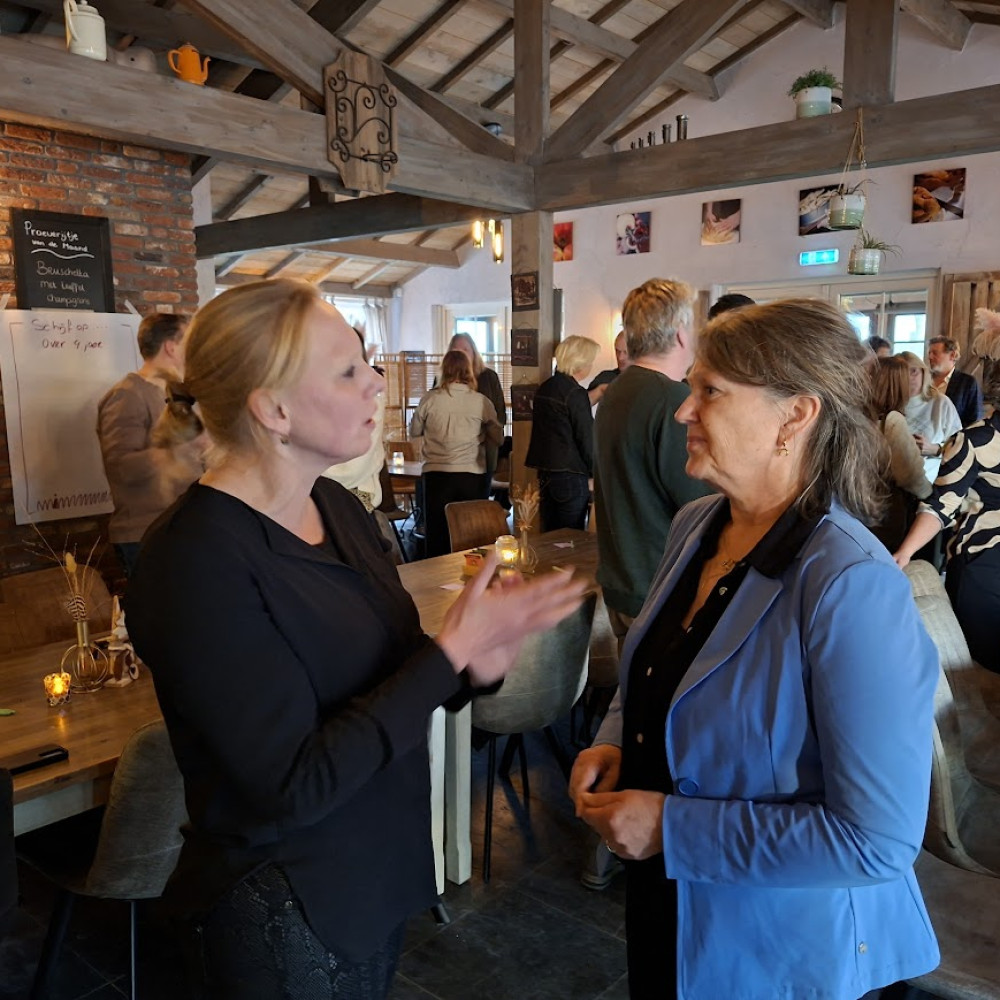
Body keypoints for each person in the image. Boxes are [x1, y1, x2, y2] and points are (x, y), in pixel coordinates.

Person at [124, 279, 586, 999]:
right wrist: (449, 656)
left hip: (374, 868)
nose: (376, 382)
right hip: (286, 902)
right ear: (272, 409)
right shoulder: (194, 560)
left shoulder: (334, 505)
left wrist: (475, 666)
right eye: (347, 370)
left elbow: (394, 667)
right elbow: (289, 785)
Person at [572, 298, 940, 1000]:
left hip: (786, 954)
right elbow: (659, 663)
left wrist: (672, 829)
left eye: (711, 391)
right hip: (675, 910)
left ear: (795, 415)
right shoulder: (696, 525)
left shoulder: (848, 586)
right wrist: (620, 737)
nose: (684, 410)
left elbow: (877, 841)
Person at [593, 278, 712, 654]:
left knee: (633, 701)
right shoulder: (673, 399)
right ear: (680, 334)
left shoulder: (617, 391)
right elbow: (701, 505)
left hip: (622, 578)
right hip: (662, 585)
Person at [895, 308, 1000, 674]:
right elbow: (940, 505)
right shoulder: (973, 441)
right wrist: (904, 553)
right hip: (985, 562)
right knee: (981, 673)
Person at [96, 312, 195, 577]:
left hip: (179, 528)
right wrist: (185, 449)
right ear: (171, 347)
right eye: (191, 340)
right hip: (145, 535)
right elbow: (123, 468)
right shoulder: (127, 395)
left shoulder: (176, 393)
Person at [410, 350, 504, 557]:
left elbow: (414, 431)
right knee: (472, 533)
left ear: (443, 370)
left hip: (437, 473)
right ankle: (471, 578)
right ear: (469, 371)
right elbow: (498, 438)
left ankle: (437, 581)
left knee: (437, 533)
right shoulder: (481, 401)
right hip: (471, 473)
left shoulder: (430, 399)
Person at [526, 335, 599, 532]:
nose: (591, 365)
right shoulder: (575, 393)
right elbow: (586, 438)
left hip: (546, 473)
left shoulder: (545, 387)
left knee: (549, 535)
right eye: (590, 361)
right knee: (570, 537)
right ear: (580, 363)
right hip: (571, 476)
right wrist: (597, 472)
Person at [868, 356, 931, 550]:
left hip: (857, 509)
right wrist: (931, 496)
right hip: (884, 512)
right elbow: (910, 475)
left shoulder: (860, 416)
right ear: (898, 384)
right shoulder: (892, 421)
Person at [447, 333, 507, 495]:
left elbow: (500, 415)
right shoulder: (443, 381)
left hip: (484, 452)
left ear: (474, 352)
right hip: (451, 455)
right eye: (456, 350)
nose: (461, 354)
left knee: (478, 501)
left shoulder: (489, 377)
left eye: (465, 349)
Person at [899, 350, 962, 482]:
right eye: (902, 373)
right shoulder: (889, 403)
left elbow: (960, 447)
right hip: (894, 483)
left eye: (914, 371)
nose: (909, 378)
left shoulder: (941, 403)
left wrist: (935, 449)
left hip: (931, 483)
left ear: (923, 372)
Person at [928, 335, 983, 426]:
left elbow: (974, 420)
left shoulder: (967, 383)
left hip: (953, 438)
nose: (930, 357)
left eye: (935, 353)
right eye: (929, 353)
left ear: (952, 355)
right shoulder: (923, 380)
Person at [587, 330, 629, 406]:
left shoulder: (649, 379)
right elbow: (579, 406)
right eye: (617, 351)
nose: (620, 358)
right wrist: (599, 391)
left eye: (626, 352)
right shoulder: (606, 378)